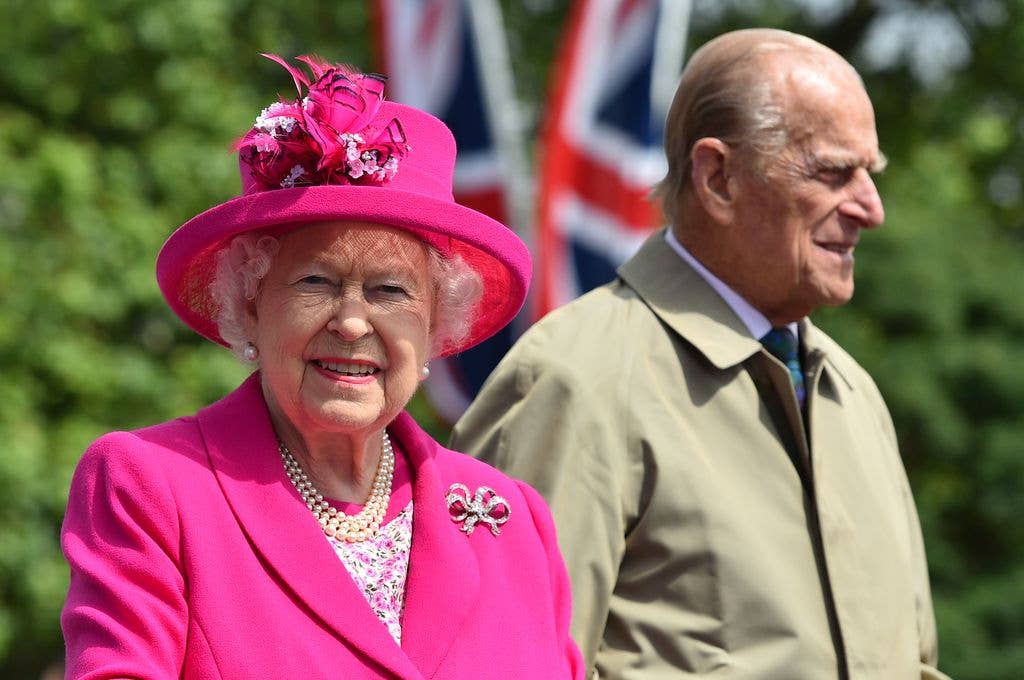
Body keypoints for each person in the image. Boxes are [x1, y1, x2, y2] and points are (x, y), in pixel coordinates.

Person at [61, 55, 584, 680]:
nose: (353, 322)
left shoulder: (514, 519)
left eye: (391, 291)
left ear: (436, 323)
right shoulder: (151, 486)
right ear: (251, 303)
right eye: (316, 282)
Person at [451, 29, 949, 679]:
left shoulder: (851, 394)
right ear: (718, 178)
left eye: (868, 174)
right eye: (832, 172)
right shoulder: (573, 380)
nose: (870, 208)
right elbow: (501, 664)